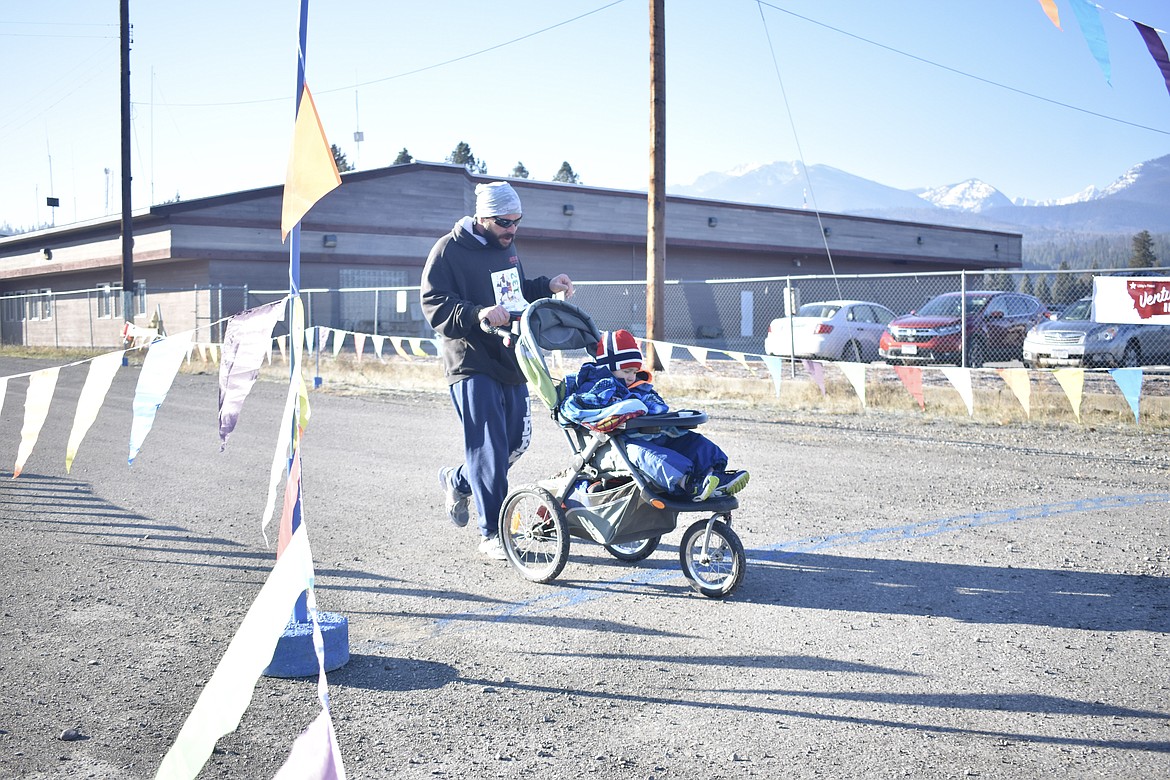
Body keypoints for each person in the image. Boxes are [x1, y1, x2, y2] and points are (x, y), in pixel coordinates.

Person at [420, 181, 575, 560]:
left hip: (509, 357)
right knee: (488, 448)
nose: (513, 230)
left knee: (516, 442)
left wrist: (547, 286)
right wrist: (477, 313)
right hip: (470, 361)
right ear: (484, 217)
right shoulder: (448, 251)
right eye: (506, 222)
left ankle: (457, 480)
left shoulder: (507, 247)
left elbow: (515, 292)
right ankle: (492, 532)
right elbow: (434, 305)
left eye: (518, 222)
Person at [563, 329, 749, 501]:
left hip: (651, 433)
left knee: (693, 441)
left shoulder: (637, 387)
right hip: (616, 444)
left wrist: (652, 409)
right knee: (653, 456)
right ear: (608, 367)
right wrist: (622, 407)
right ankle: (689, 484)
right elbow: (581, 407)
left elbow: (659, 406)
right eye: (626, 371)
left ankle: (714, 477)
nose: (631, 377)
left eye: (634, 372)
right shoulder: (597, 386)